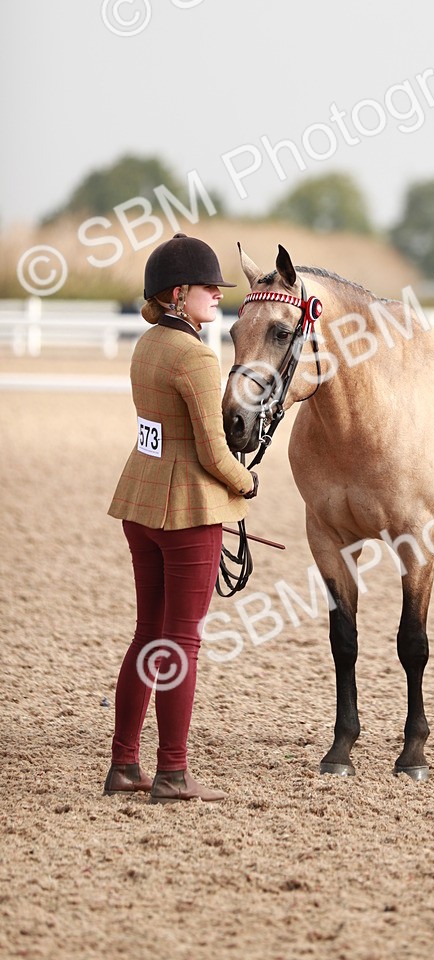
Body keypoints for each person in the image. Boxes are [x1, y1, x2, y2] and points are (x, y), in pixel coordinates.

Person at [104, 233, 258, 803]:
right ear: (177, 294)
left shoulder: (146, 346)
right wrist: (248, 483)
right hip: (188, 513)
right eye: (207, 287)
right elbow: (214, 453)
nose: (218, 294)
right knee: (181, 643)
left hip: (140, 503)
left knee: (148, 634)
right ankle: (172, 771)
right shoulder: (196, 356)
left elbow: (158, 433)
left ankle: (124, 763)